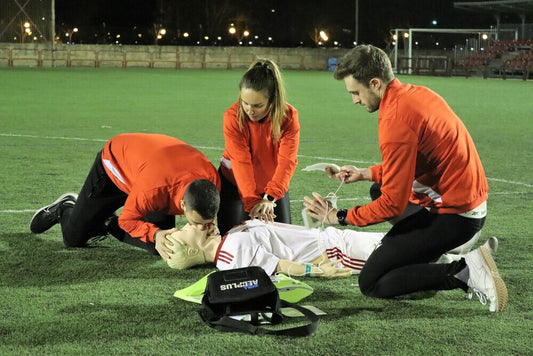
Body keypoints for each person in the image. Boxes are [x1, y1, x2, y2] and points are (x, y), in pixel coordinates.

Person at [303, 45, 507, 312]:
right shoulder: (414, 94)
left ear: (374, 83)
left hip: (456, 217)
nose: (354, 100)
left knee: (372, 282)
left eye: (356, 92)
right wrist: (366, 173)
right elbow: (412, 165)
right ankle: (438, 253)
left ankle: (466, 271)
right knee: (377, 188)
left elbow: (392, 205)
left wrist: (338, 217)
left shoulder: (395, 119)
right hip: (466, 204)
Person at [30, 133, 220, 260]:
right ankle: (66, 207)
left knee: (162, 247)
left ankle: (105, 221)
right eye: (197, 222)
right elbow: (128, 220)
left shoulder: (212, 180)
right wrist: (155, 233)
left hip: (147, 168)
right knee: (73, 239)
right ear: (182, 205)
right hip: (115, 168)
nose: (201, 228)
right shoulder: (154, 191)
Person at [162, 219, 499, 279]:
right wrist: (316, 270)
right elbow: (279, 265)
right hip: (333, 252)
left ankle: (458, 254)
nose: (186, 225)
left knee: (396, 245)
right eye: (183, 233)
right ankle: (461, 258)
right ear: (191, 252)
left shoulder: (230, 238)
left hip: (332, 240)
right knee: (397, 248)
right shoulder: (229, 257)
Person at [217, 58, 300, 235]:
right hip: (234, 183)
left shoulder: (288, 117)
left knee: (283, 238)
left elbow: (287, 161)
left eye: (257, 105)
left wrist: (270, 197)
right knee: (232, 239)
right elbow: (241, 162)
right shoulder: (232, 117)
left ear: (272, 100)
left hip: (271, 187)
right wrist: (252, 202)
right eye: (244, 102)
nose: (249, 110)